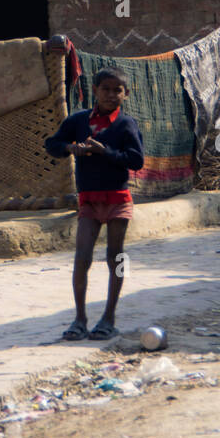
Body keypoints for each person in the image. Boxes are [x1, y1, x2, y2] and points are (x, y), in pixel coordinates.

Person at [45, 69, 144, 341]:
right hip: (88, 200)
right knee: (82, 257)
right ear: (96, 91)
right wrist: (69, 149)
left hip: (117, 201)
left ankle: (109, 317)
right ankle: (79, 319)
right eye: (106, 90)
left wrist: (105, 152)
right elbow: (52, 144)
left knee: (117, 257)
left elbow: (136, 160)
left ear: (126, 94)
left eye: (118, 90)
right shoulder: (77, 121)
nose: (112, 95)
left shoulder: (126, 125)